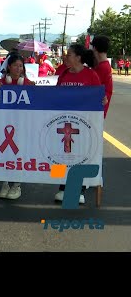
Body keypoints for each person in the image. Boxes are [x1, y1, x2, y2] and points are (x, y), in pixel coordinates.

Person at [53, 44, 104, 205]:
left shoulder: (91, 75)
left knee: (80, 155)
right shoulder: (64, 75)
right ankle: (62, 187)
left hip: (83, 125)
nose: (66, 57)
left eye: (69, 54)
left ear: (78, 58)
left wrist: (102, 100)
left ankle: (79, 188)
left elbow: (98, 97)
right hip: (64, 123)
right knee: (62, 155)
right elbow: (55, 96)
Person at [0, 52, 35, 200]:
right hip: (4, 124)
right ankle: (5, 183)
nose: (18, 69)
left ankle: (16, 184)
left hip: (21, 125)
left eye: (21, 66)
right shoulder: (2, 82)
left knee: (19, 154)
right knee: (4, 154)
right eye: (15, 66)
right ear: (9, 67)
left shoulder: (27, 83)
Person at [90, 35, 113, 118]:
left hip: (97, 110)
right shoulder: (105, 65)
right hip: (100, 109)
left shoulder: (101, 68)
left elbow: (91, 88)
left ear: (95, 48)